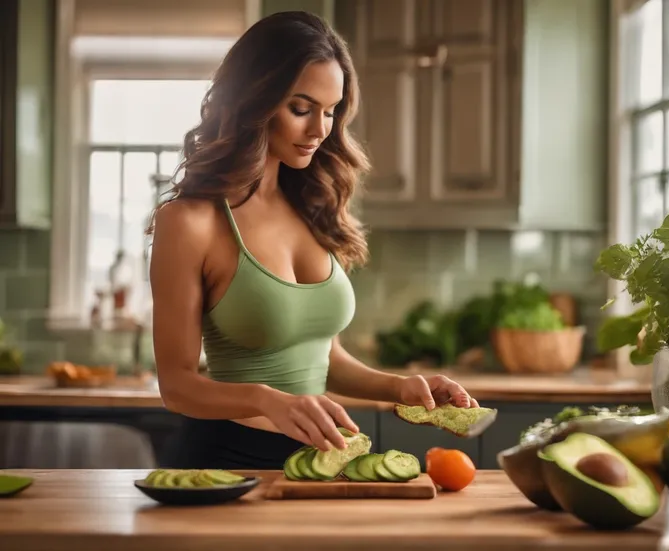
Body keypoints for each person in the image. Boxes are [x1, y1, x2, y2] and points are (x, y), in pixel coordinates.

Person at [148, 11, 479, 470]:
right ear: (253, 101)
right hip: (225, 463)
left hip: (318, 463)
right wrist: (270, 402)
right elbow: (177, 386)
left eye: (331, 111)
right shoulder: (190, 222)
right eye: (301, 109)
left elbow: (323, 357)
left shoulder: (313, 206)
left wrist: (401, 387)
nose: (320, 129)